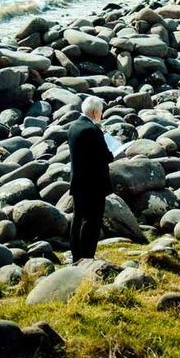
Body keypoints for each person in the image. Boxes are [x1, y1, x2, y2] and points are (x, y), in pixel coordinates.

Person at [66, 95, 112, 261]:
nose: (101, 115)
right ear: (94, 112)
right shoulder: (93, 130)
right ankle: (87, 255)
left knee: (78, 218)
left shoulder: (73, 127)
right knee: (92, 220)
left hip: (77, 180)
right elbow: (106, 156)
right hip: (94, 183)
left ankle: (76, 254)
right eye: (100, 112)